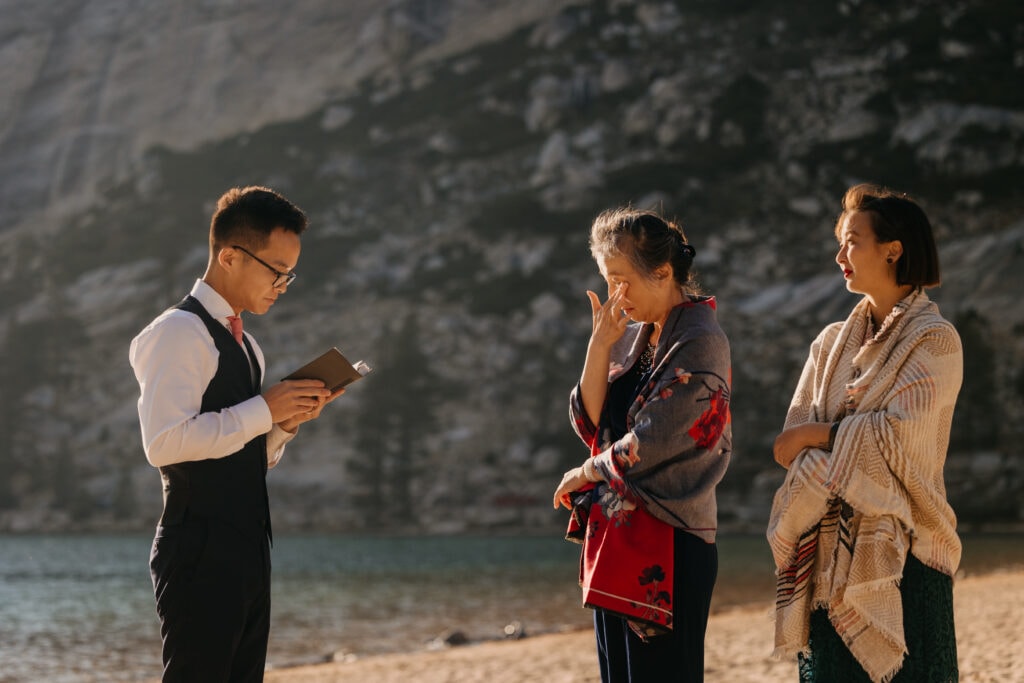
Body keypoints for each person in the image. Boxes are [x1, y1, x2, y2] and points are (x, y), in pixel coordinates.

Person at [129, 186, 343, 682]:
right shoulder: (177, 332)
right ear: (229, 256)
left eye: (291, 273)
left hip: (248, 549)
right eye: (276, 270)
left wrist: (282, 425)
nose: (284, 283)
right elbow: (163, 443)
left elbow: (238, 449)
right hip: (198, 549)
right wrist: (264, 409)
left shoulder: (250, 346)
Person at [768, 183, 963, 683]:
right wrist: (826, 440)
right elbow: (790, 446)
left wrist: (821, 434)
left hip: (909, 557)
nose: (840, 255)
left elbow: (900, 439)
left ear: (892, 250)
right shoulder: (829, 343)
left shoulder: (935, 340)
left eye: (852, 240)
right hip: (827, 563)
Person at [553, 207, 732, 682]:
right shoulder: (635, 338)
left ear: (664, 272)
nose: (617, 294)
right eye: (608, 280)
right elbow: (591, 423)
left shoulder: (699, 339)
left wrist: (585, 473)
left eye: (622, 279)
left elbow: (653, 439)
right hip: (619, 539)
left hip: (670, 542)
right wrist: (599, 346)